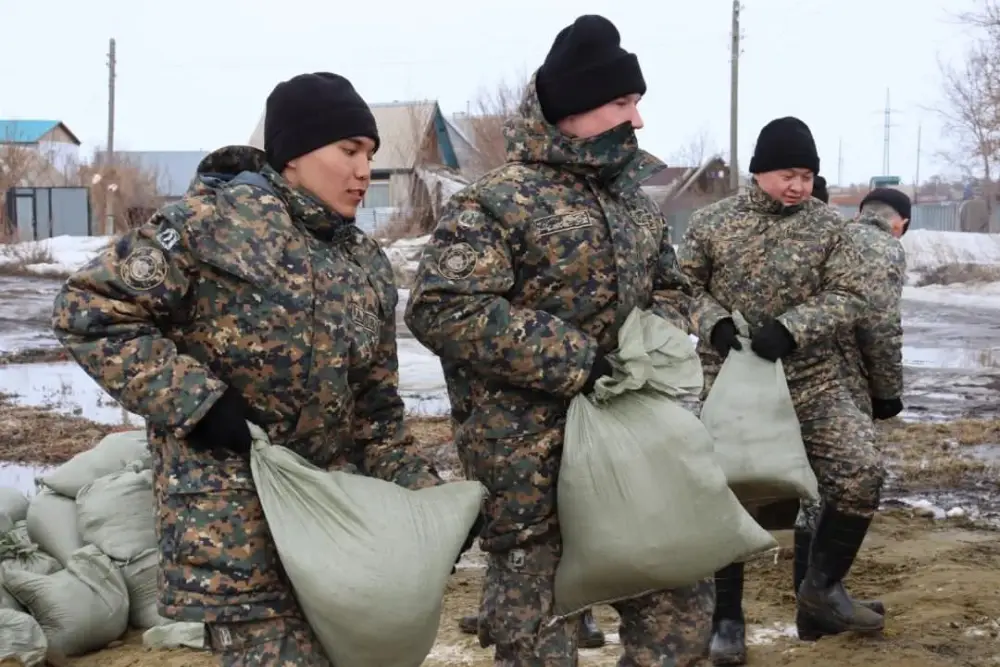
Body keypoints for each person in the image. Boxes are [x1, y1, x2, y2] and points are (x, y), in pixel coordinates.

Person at [49, 72, 449, 666]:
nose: (364, 170)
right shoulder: (209, 225)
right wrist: (198, 403)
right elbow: (90, 310)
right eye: (348, 151)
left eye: (370, 154)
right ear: (293, 155)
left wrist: (425, 499)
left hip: (331, 530)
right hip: (234, 530)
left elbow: (376, 413)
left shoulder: (363, 261)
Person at [405, 14, 712, 666]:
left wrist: (654, 334)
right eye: (623, 103)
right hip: (528, 471)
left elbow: (674, 286)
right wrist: (577, 359)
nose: (639, 120)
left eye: (638, 103)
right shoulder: (497, 202)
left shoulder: (635, 204)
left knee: (680, 625)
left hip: (634, 452)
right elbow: (441, 307)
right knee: (535, 647)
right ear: (573, 108)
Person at [677, 117, 886, 666]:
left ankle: (821, 590)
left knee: (859, 471)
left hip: (811, 379)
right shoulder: (712, 223)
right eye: (788, 174)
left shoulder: (831, 228)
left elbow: (852, 294)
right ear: (760, 171)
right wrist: (714, 321)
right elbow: (679, 288)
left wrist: (794, 327)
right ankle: (726, 618)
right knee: (726, 490)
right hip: (728, 380)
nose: (798, 186)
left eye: (807, 175)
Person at [791, 186, 910, 638]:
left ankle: (812, 615)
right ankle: (816, 605)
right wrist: (886, 392)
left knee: (814, 492)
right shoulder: (884, 248)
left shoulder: (832, 234)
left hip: (803, 377)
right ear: (902, 224)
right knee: (846, 486)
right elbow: (879, 325)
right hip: (842, 381)